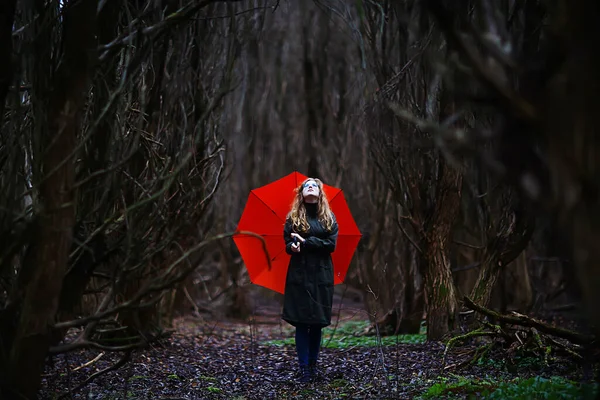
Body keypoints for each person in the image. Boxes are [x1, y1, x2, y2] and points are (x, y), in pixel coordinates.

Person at [282, 178, 339, 383]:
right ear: (302, 194)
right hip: (299, 274)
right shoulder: (293, 218)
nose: (310, 187)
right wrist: (293, 247)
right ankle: (304, 368)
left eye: (314, 185)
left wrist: (307, 242)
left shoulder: (329, 218)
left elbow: (330, 245)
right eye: (306, 186)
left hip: (322, 275)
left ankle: (314, 366)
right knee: (301, 323)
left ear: (320, 193)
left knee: (317, 323)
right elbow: (287, 242)